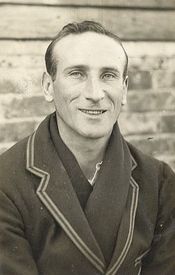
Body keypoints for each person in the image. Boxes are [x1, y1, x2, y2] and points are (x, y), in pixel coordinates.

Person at [0, 21, 175, 275]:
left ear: (124, 89)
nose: (95, 93)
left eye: (108, 75)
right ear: (48, 86)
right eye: (77, 74)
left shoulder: (159, 181)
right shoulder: (6, 182)